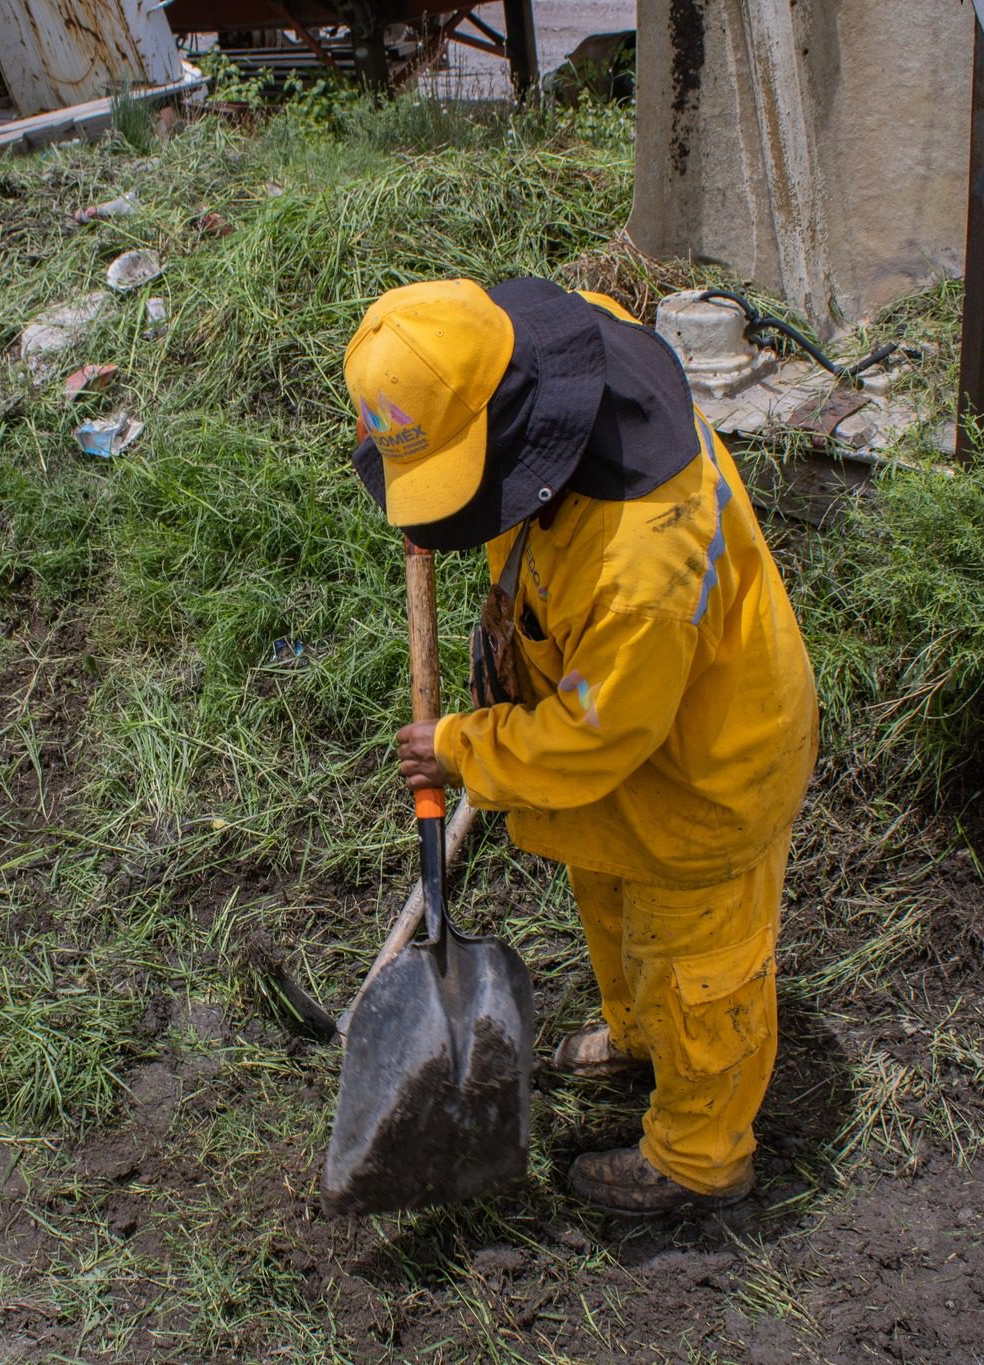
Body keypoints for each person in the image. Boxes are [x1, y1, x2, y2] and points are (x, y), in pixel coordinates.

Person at [343, 278, 818, 1215]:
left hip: (700, 765)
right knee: (610, 896)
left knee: (698, 963)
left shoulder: (639, 556)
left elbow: (594, 740)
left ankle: (699, 1151)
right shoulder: (542, 354)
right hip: (608, 714)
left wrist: (464, 748)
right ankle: (638, 1032)